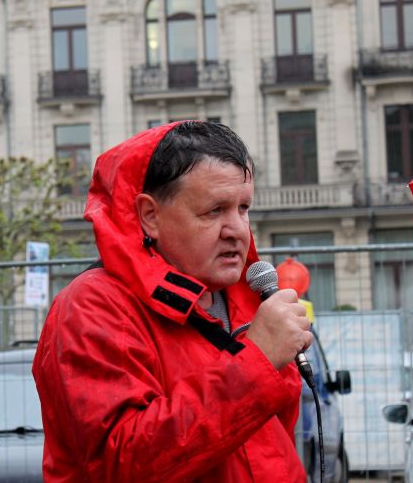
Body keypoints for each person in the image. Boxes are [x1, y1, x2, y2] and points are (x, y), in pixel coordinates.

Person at [32, 120, 313, 482]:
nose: (238, 229)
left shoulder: (247, 300)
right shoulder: (93, 306)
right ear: (150, 216)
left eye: (243, 208)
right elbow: (122, 462)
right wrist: (255, 362)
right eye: (214, 210)